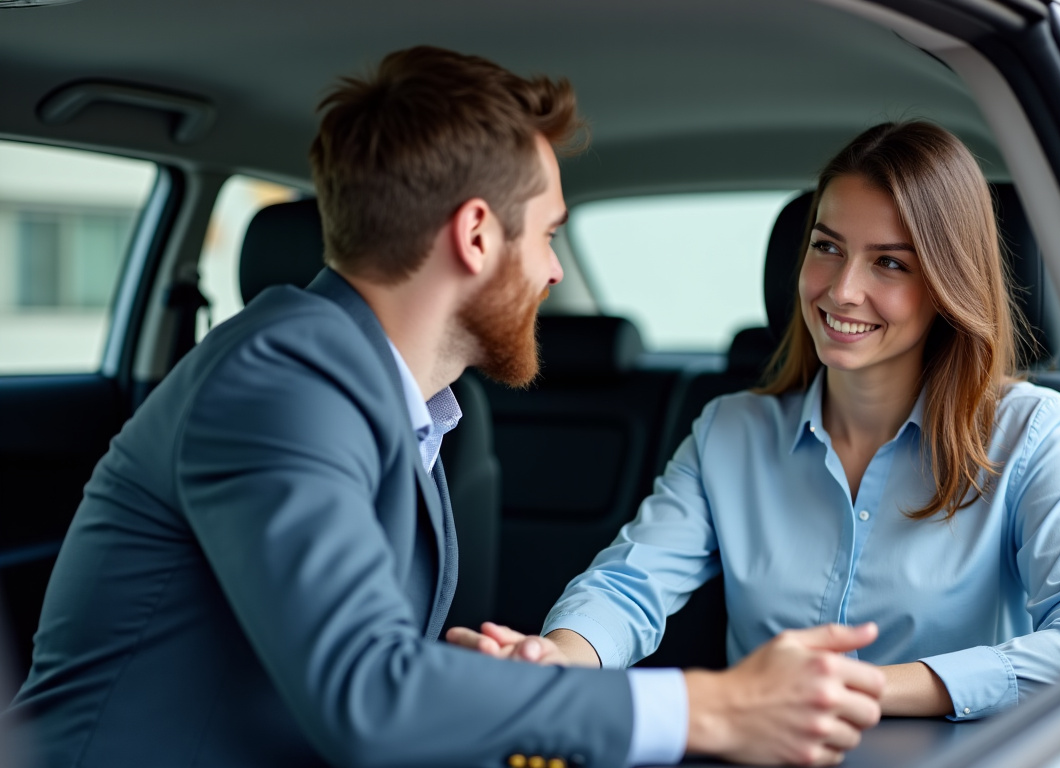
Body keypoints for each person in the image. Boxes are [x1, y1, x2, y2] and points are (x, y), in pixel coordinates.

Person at [3, 46, 889, 768]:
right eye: (548, 235)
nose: (554, 272)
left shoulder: (394, 401)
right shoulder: (281, 380)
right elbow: (369, 696)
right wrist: (715, 708)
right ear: (474, 235)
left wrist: (488, 688)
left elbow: (370, 680)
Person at [448, 121, 1060, 721]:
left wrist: (866, 689)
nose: (842, 290)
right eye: (827, 247)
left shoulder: (1031, 434)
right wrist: (557, 658)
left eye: (889, 263)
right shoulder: (731, 432)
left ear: (947, 285)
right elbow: (630, 585)